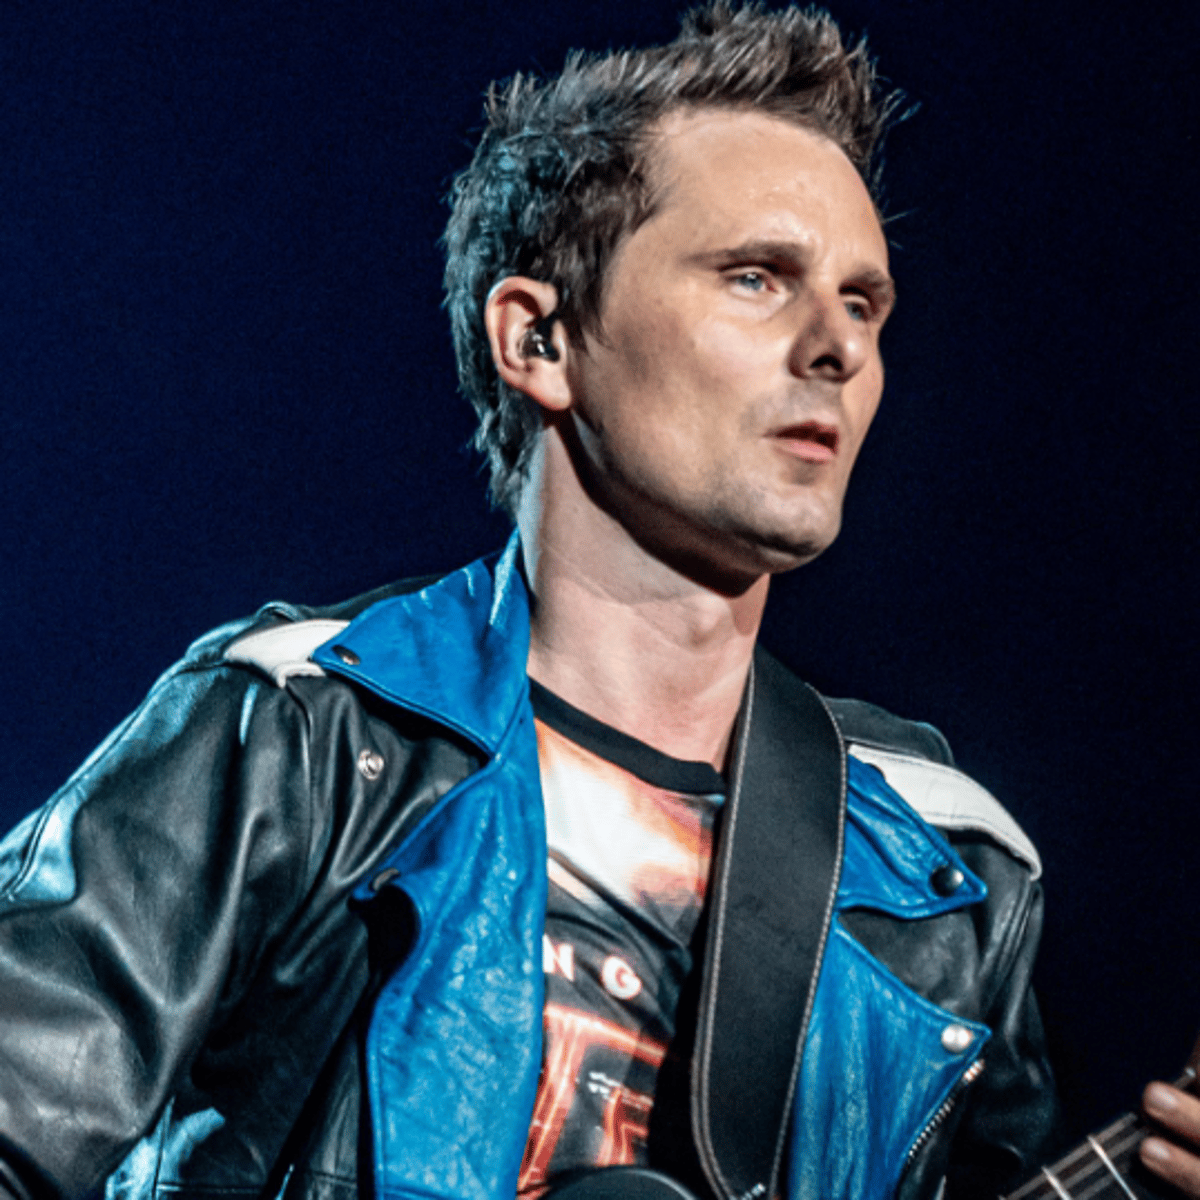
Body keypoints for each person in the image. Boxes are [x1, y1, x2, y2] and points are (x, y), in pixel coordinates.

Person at [0, 4, 1196, 1200]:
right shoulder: (305, 739)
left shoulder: (944, 872)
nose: (836, 346)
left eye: (863, 303)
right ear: (539, 340)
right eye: (756, 278)